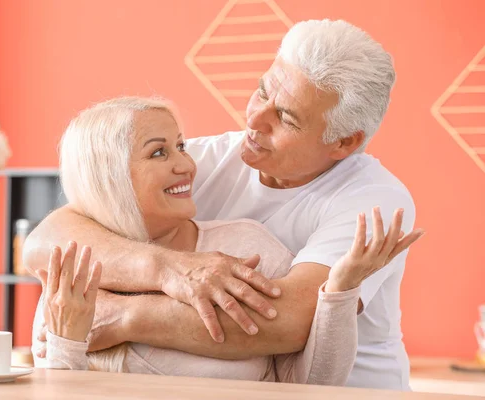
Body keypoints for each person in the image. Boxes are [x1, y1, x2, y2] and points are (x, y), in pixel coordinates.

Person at [25, 19, 422, 390]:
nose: (255, 119)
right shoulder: (201, 162)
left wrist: (123, 315)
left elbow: (284, 325)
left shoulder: (374, 200)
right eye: (263, 91)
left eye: (285, 117)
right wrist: (169, 270)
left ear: (344, 142)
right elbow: (47, 242)